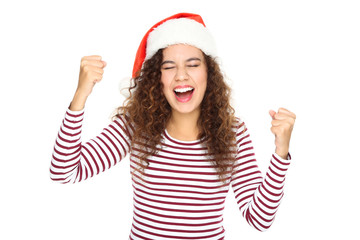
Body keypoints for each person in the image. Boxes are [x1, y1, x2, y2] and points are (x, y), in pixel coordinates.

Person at [50, 13, 296, 239]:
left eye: (193, 64)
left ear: (209, 74)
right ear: (157, 78)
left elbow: (259, 219)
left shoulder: (233, 133)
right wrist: (81, 95)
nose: (181, 75)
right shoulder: (136, 126)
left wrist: (281, 152)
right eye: (169, 67)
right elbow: (63, 171)